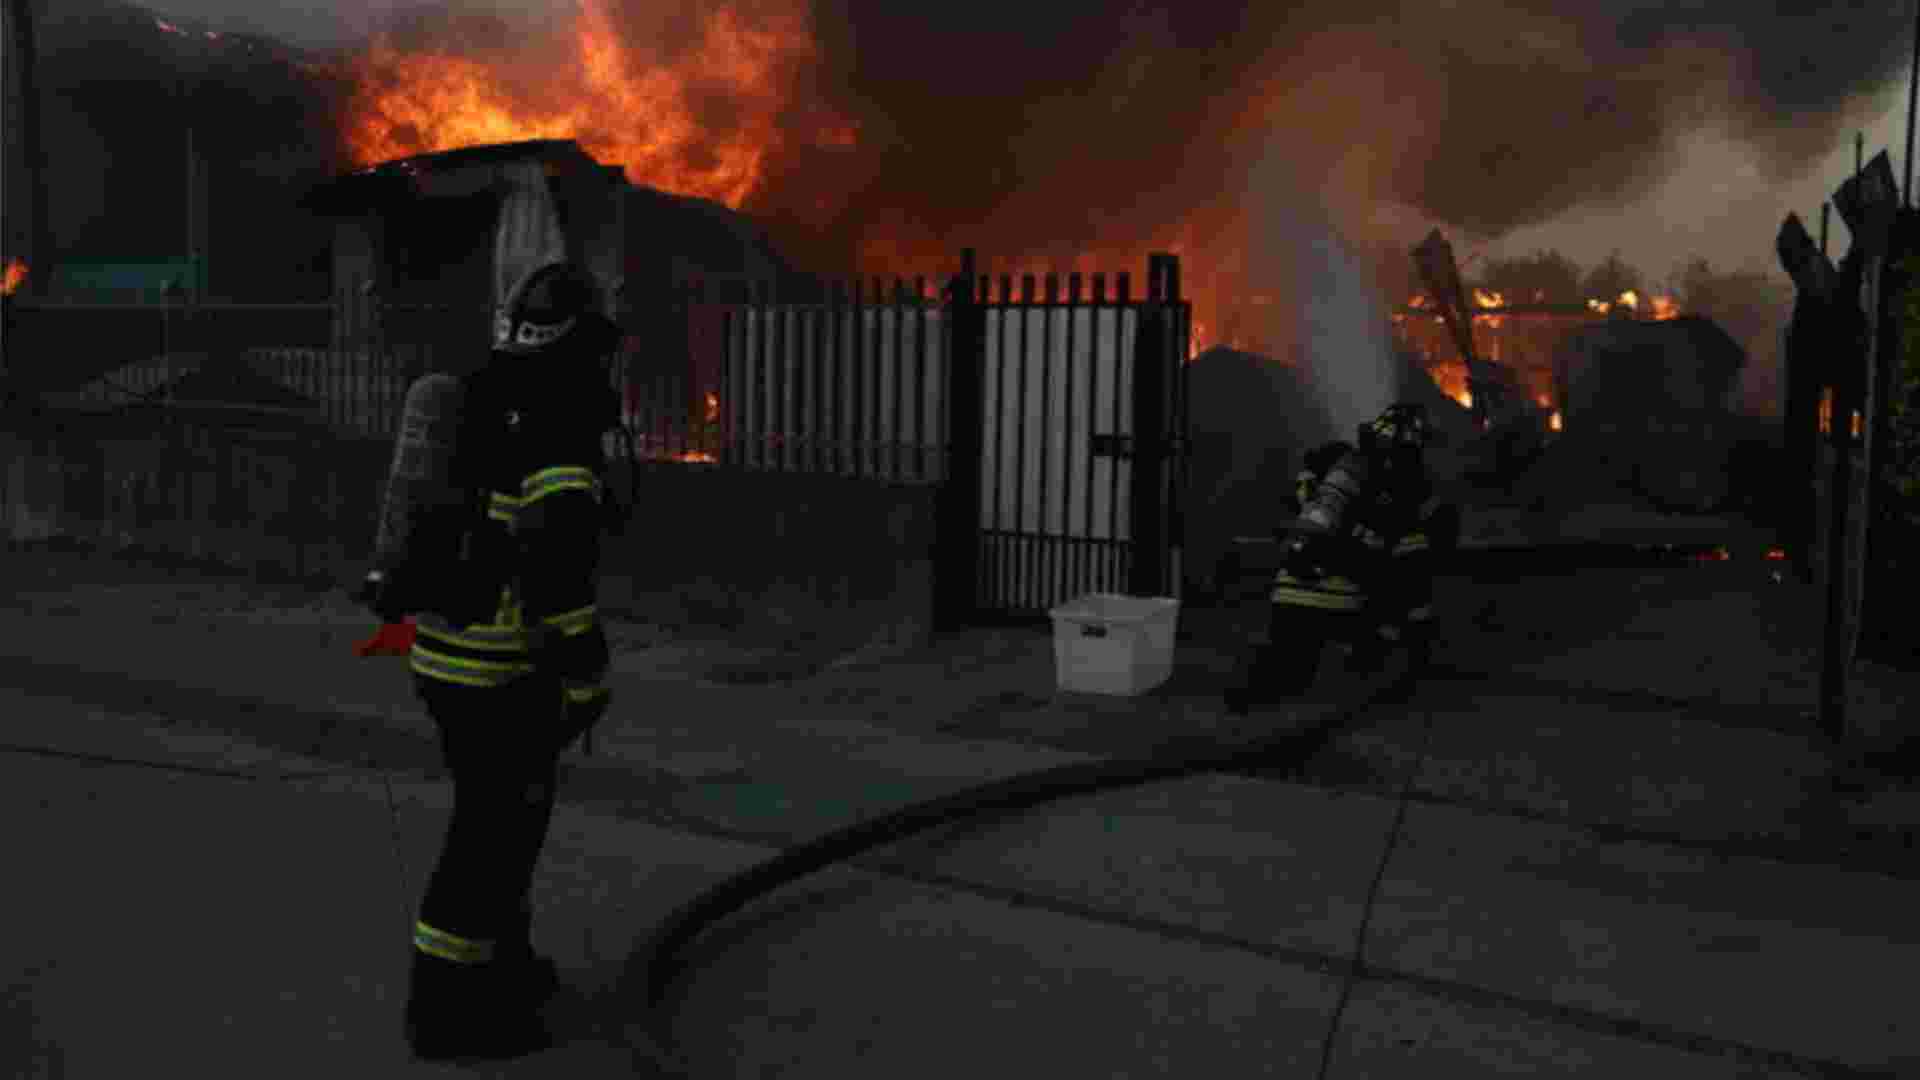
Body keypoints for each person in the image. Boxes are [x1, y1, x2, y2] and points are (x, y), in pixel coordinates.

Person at [357, 259, 624, 1061]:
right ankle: (445, 1015)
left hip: (443, 655)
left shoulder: (479, 395)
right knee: (488, 842)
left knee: (508, 825)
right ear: (579, 347)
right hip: (503, 672)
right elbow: (558, 577)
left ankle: (504, 969)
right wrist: (586, 675)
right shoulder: (558, 429)